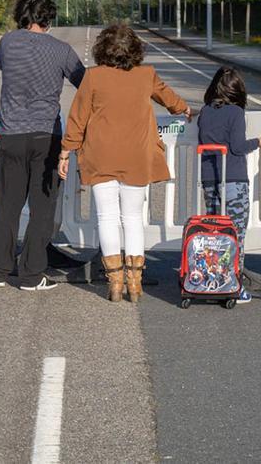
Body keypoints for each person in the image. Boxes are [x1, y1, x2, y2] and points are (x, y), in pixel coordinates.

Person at [58, 24, 190, 302]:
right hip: (136, 156)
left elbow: (77, 117)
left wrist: (65, 151)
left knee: (106, 218)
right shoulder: (146, 75)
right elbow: (170, 99)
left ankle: (115, 284)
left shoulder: (93, 78)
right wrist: (185, 109)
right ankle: (135, 284)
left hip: (100, 155)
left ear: (102, 49)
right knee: (132, 218)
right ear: (135, 50)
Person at [0, 0, 85, 291]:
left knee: (8, 205)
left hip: (12, 134)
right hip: (46, 135)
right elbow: (84, 82)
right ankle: (30, 274)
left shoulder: (7, 42)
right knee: (42, 208)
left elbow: (6, 67)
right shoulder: (61, 49)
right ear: (48, 18)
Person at [197, 66, 261, 305]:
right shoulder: (236, 113)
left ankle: (214, 280)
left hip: (210, 179)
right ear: (238, 91)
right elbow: (238, 146)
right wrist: (258, 142)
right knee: (235, 233)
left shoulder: (205, 111)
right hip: (234, 179)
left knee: (215, 232)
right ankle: (234, 284)